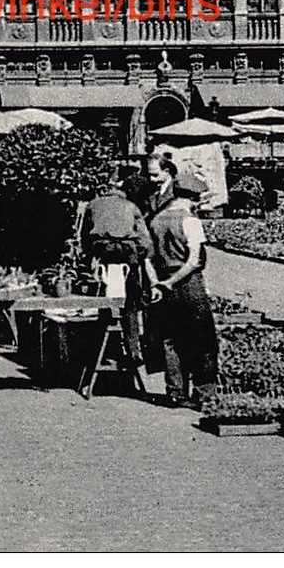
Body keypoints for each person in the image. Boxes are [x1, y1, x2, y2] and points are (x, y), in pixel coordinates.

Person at [144, 154, 219, 408]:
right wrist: (173, 281)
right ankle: (204, 393)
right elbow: (194, 261)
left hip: (163, 284)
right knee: (202, 339)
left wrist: (157, 283)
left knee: (170, 340)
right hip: (188, 285)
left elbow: (147, 258)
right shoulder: (191, 221)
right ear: (194, 197)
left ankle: (175, 392)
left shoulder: (155, 221)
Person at [79, 178, 154, 365]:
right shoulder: (131, 206)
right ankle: (133, 349)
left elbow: (83, 235)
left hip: (102, 252)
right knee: (130, 303)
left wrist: (89, 257)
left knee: (101, 299)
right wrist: (141, 256)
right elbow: (145, 240)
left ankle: (102, 349)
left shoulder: (93, 205)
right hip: (127, 253)